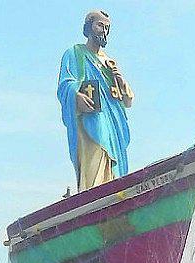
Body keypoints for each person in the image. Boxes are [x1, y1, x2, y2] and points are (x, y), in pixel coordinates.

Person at [59, 10, 133, 192]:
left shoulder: (110, 63)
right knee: (96, 158)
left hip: (113, 121)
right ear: (89, 26)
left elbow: (128, 100)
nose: (104, 31)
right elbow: (64, 85)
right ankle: (94, 195)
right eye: (100, 25)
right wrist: (76, 96)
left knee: (113, 167)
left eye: (107, 28)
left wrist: (120, 80)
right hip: (91, 118)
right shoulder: (75, 53)